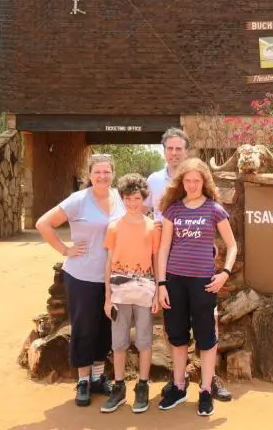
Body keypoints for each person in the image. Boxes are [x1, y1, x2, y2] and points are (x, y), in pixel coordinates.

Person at [146, 128, 233, 402]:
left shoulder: (214, 209)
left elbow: (232, 245)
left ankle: (206, 390)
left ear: (204, 181)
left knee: (207, 336)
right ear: (181, 182)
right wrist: (161, 284)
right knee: (177, 336)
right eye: (188, 180)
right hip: (174, 281)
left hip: (203, 282)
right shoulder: (172, 209)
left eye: (197, 180)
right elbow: (163, 248)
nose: (192, 185)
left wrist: (224, 274)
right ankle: (180, 386)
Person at [35, 154, 125, 407]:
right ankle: (83, 381)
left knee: (105, 327)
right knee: (84, 327)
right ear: (89, 175)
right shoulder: (78, 200)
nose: (102, 177)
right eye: (98, 172)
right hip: (83, 275)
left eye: (107, 172)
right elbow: (43, 224)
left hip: (111, 277)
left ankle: (98, 377)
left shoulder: (118, 197)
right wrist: (65, 250)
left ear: (113, 174)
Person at [100, 174, 161, 414]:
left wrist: (157, 292)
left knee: (145, 340)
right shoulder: (113, 227)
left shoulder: (152, 227)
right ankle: (118, 387)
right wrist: (107, 297)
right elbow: (108, 264)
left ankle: (143, 386)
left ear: (143, 198)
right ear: (122, 199)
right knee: (119, 342)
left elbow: (156, 261)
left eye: (136, 198)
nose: (133, 203)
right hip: (119, 293)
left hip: (146, 292)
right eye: (128, 198)